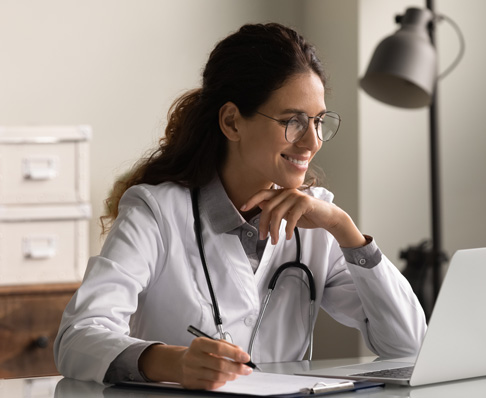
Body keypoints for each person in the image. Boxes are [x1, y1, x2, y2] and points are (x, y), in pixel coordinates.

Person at [54, 22, 426, 390]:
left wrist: (346, 231)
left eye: (317, 121)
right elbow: (78, 337)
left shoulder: (319, 222)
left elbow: (409, 346)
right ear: (232, 121)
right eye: (292, 121)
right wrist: (175, 363)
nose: (312, 141)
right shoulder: (157, 211)